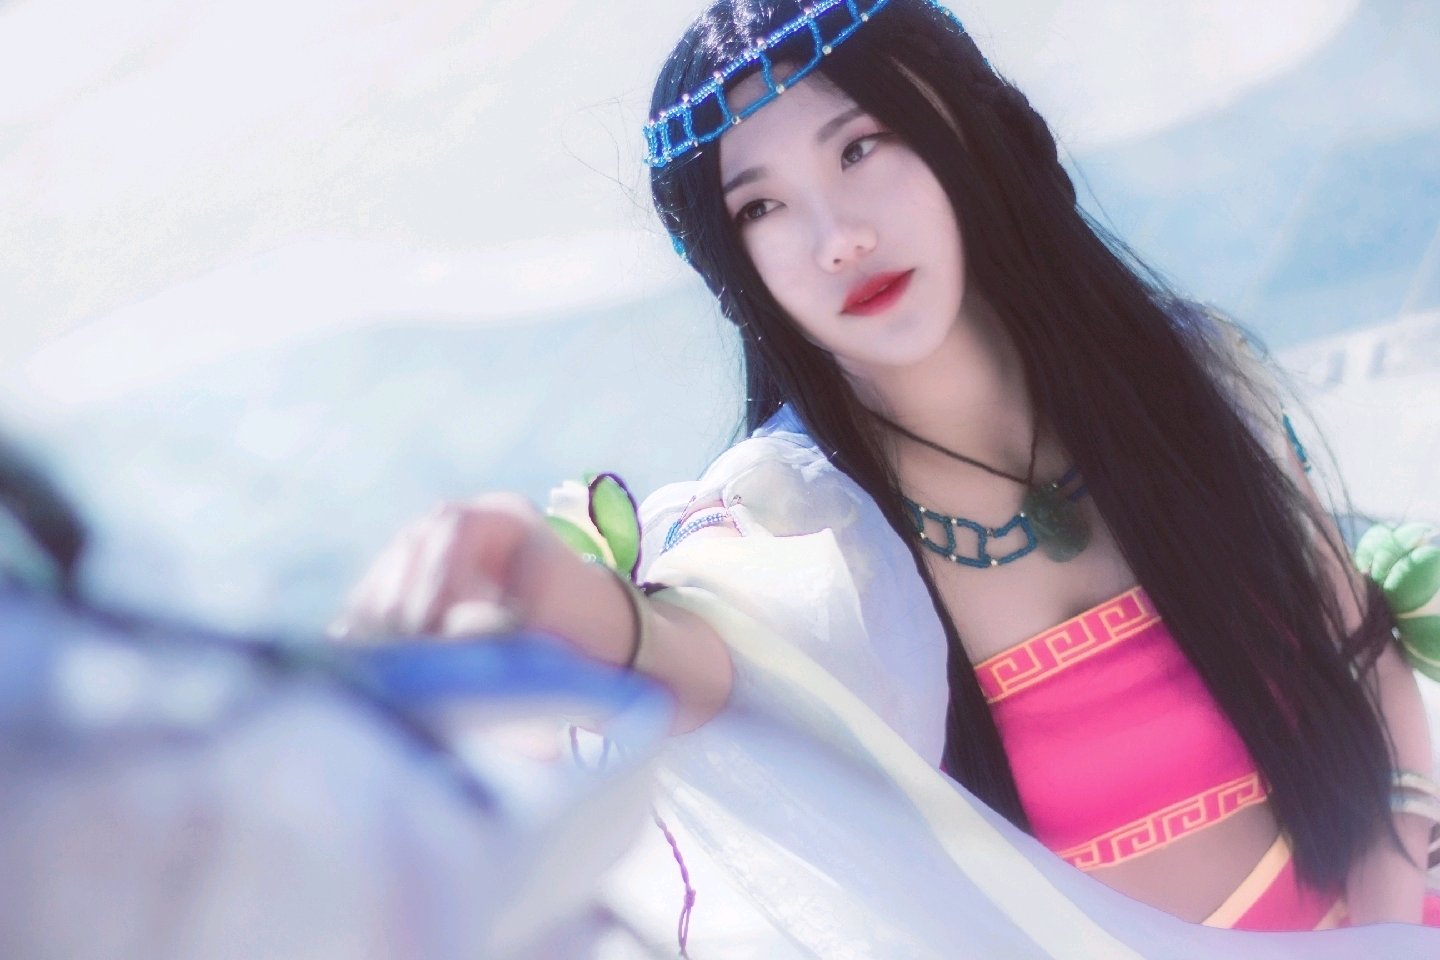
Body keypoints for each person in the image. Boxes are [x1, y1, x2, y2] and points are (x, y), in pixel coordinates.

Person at [337, 0, 1440, 948]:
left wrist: (1390, 910)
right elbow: (704, 667)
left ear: (956, 128)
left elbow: (1359, 649)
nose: (835, 237)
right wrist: (548, 593)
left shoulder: (1185, 379)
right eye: (761, 206)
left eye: (859, 147)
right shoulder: (796, 524)